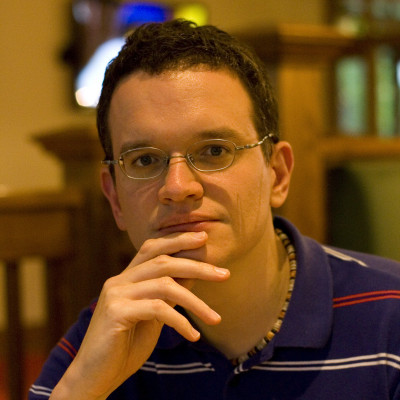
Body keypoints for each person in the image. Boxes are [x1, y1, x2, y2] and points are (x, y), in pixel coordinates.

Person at [29, 19, 400, 399]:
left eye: (214, 151)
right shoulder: (105, 335)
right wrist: (82, 387)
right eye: (145, 160)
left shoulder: (390, 317)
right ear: (115, 199)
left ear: (277, 174)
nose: (177, 188)